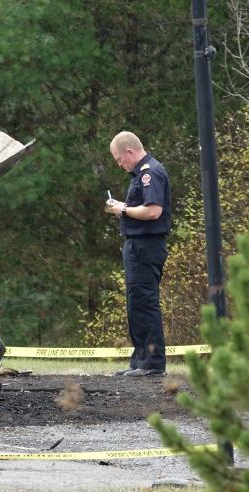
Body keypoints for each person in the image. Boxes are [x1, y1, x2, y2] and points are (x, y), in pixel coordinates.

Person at [105, 131, 171, 377]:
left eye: (119, 159)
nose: (119, 164)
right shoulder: (141, 173)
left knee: (144, 302)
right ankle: (140, 360)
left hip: (146, 246)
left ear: (129, 152)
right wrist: (125, 208)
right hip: (137, 246)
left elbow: (153, 211)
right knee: (136, 303)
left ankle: (152, 364)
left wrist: (123, 209)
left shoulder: (149, 173)